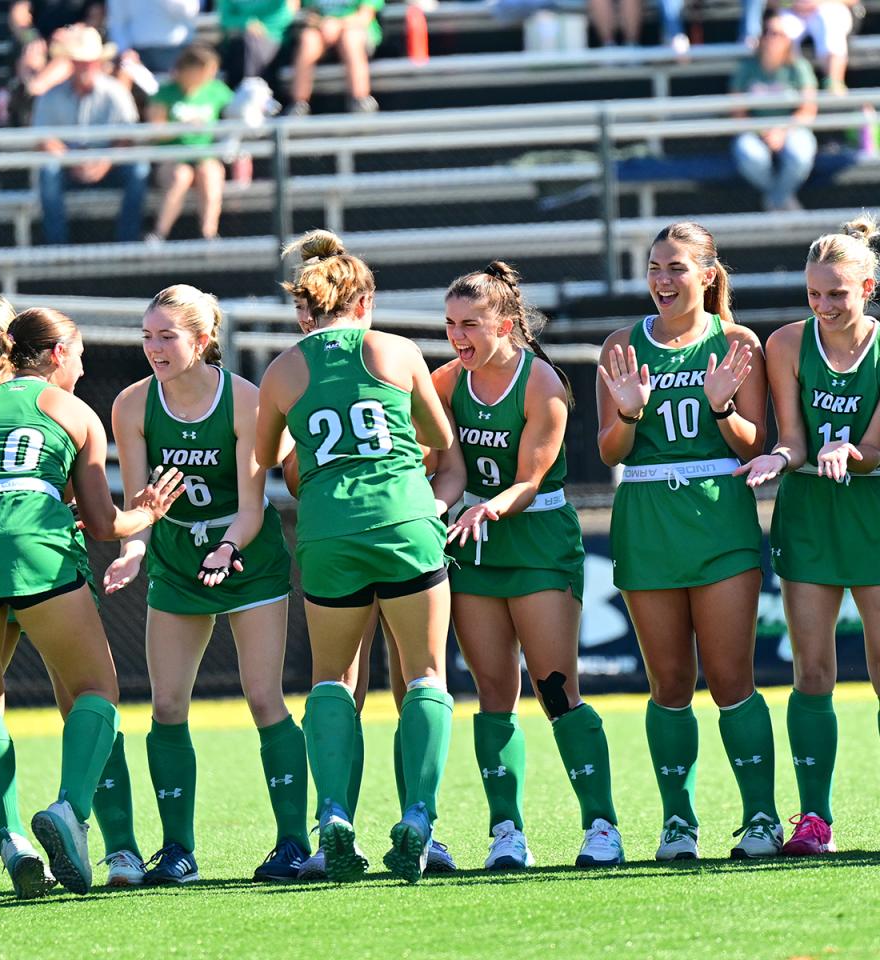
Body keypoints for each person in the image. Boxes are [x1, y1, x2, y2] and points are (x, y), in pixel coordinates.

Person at [0, 307, 182, 898]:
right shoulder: (72, 410)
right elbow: (101, 523)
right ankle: (71, 812)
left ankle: (10, 841)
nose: (85, 364)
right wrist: (146, 512)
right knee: (97, 693)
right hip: (34, 554)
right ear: (59, 355)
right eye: (82, 354)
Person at [257, 232, 455, 883]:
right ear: (363, 298)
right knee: (424, 675)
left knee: (332, 679)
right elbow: (438, 439)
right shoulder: (397, 350)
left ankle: (334, 816)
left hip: (328, 532)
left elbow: (269, 461)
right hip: (403, 521)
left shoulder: (283, 368)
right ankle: (421, 819)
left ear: (307, 305)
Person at [105, 284, 310, 884]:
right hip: (175, 561)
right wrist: (133, 551)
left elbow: (252, 507)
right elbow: (142, 506)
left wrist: (225, 547)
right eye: (147, 336)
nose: (153, 348)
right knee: (166, 705)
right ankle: (177, 850)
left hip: (247, 557)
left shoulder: (245, 401)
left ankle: (294, 843)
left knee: (262, 696)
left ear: (202, 339)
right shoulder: (131, 405)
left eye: (167, 336)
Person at [596, 221, 783, 861]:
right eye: (654, 267)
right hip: (646, 520)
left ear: (707, 274)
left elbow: (755, 444)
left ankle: (761, 817)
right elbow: (610, 449)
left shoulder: (736, 341)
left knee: (732, 678)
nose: (662, 280)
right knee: (669, 684)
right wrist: (628, 410)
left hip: (718, 516)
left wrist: (724, 407)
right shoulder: (621, 344)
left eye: (676, 267)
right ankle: (679, 823)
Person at [436, 262, 623, 871]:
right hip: (474, 544)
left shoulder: (542, 383)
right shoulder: (444, 382)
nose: (458, 337)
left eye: (471, 325)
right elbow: (426, 449)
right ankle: (505, 832)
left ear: (508, 325)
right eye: (450, 325)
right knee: (492, 692)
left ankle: (602, 826)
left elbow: (529, 480)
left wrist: (486, 508)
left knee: (556, 688)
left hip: (536, 538)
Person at [736, 216, 880, 856]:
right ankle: (813, 821)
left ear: (867, 287)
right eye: (814, 294)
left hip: (872, 514)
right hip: (808, 518)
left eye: (837, 294)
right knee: (812, 671)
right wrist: (778, 458)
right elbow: (792, 439)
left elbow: (874, 448)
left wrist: (852, 453)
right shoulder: (787, 344)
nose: (823, 306)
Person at [32, 24, 149, 244]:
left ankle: (128, 242)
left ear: (98, 62)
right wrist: (71, 161)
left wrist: (105, 161)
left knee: (139, 170)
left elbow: (127, 137)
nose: (84, 66)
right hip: (67, 166)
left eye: (89, 61)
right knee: (49, 171)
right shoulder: (51, 95)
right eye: (79, 61)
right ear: (71, 62)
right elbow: (44, 139)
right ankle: (57, 247)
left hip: (109, 165)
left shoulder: (115, 91)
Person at [730, 10, 819, 213]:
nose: (772, 38)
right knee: (750, 155)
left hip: (792, 129)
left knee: (799, 155)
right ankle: (783, 199)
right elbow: (737, 110)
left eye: (778, 34)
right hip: (755, 130)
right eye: (769, 32)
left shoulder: (799, 67)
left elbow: (808, 108)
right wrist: (763, 131)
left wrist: (782, 131)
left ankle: (775, 200)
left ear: (789, 40)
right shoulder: (747, 68)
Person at [145, 45, 234, 243]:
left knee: (209, 173)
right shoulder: (166, 92)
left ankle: (209, 234)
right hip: (172, 157)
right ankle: (160, 233)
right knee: (180, 176)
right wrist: (181, 127)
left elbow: (236, 111)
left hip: (205, 155)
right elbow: (156, 132)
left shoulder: (216, 90)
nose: (209, 76)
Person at [285, 0, 383, 116]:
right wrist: (322, 24)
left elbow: (364, 17)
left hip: (356, 31)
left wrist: (338, 24)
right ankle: (299, 104)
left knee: (350, 39)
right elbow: (307, 13)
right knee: (308, 40)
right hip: (321, 30)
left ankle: (360, 100)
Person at [781, 1, 856, 94]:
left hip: (828, 7)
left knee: (833, 21)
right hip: (791, 10)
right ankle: (790, 85)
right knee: (779, 30)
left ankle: (833, 86)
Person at [107, 0, 200, 74]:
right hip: (137, 54)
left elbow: (189, 11)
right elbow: (117, 21)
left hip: (175, 51)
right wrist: (124, 51)